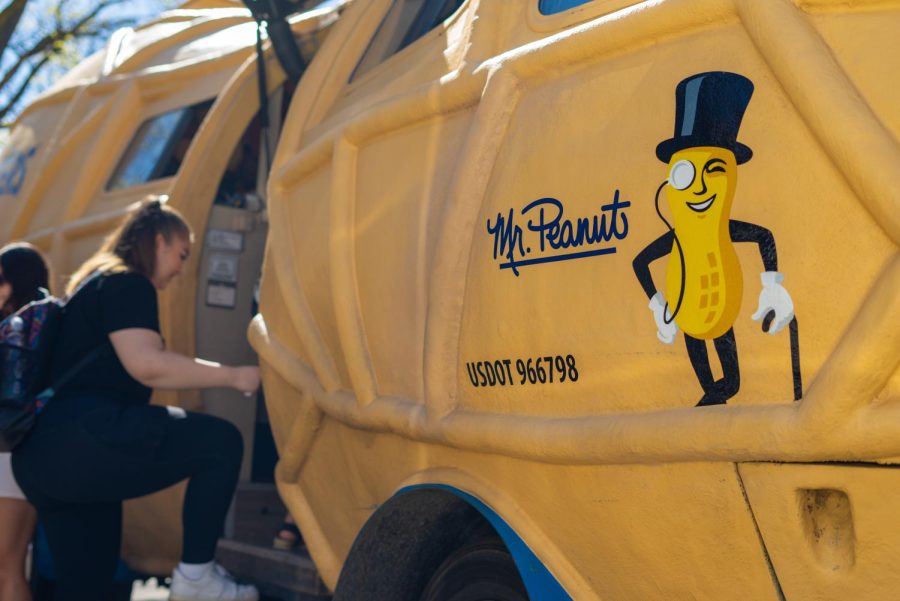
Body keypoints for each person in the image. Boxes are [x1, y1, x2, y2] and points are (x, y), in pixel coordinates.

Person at [11, 199, 261, 601]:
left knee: (85, 588)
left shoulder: (91, 284)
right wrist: (234, 376)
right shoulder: (129, 283)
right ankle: (196, 577)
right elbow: (147, 365)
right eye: (181, 254)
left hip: (42, 458)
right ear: (158, 241)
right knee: (221, 442)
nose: (181, 268)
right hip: (84, 441)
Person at [0, 242, 50, 601]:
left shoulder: (17, 327)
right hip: (19, 452)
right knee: (10, 565)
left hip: (9, 455)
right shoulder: (45, 321)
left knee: (8, 566)